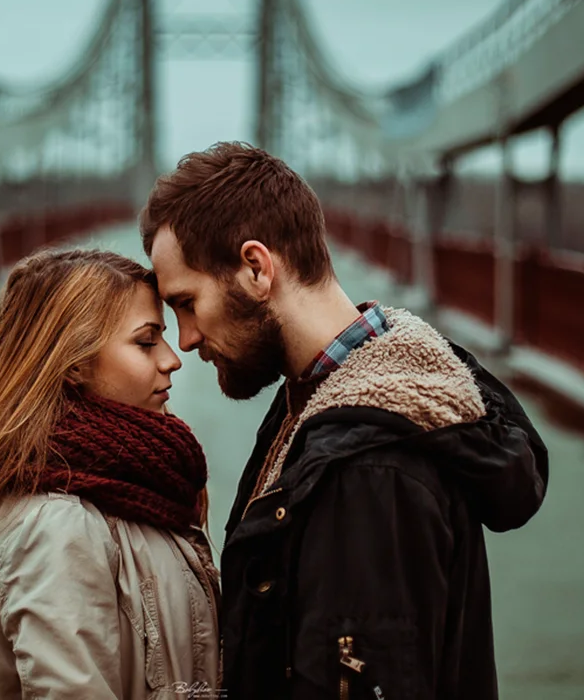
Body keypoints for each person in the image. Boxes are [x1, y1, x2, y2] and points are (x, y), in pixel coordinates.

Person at [141, 142, 548, 700]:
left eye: (187, 303)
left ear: (257, 268)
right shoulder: (324, 403)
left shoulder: (368, 467)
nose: (185, 339)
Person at [0, 249, 220, 700]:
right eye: (146, 342)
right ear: (74, 362)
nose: (172, 359)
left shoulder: (135, 484)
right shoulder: (57, 527)